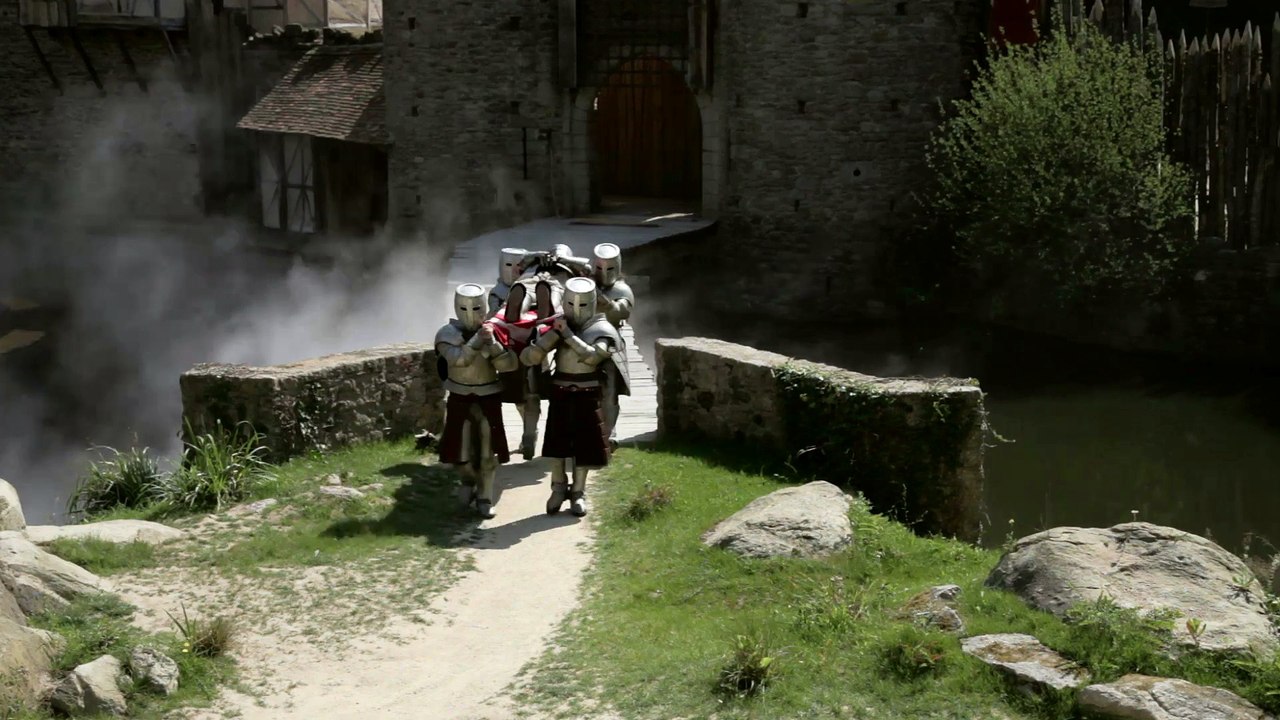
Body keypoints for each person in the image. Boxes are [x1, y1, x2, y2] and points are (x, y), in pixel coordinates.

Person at [520, 276, 623, 517]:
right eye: (571, 304)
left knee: (586, 446)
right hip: (561, 391)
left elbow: (593, 357)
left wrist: (566, 335)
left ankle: (578, 492)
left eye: (583, 304)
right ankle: (557, 488)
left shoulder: (602, 329)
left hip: (589, 392)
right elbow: (529, 358)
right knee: (558, 445)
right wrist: (543, 340)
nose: (577, 310)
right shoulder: (558, 326)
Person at [435, 283, 518, 519]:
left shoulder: (495, 331)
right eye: (464, 307)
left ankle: (485, 496)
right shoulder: (446, 334)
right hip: (459, 395)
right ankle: (469, 481)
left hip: (488, 396)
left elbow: (508, 365)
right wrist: (476, 341)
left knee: (487, 453)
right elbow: (458, 361)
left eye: (476, 308)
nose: (470, 313)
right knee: (458, 454)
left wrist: (492, 344)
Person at [591, 243, 634, 448]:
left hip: (611, 343)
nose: (603, 273)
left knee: (610, 391)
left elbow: (621, 312)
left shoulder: (622, 289)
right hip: (584, 339)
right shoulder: (585, 282)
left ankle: (610, 432)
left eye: (608, 268)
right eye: (599, 268)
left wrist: (602, 299)